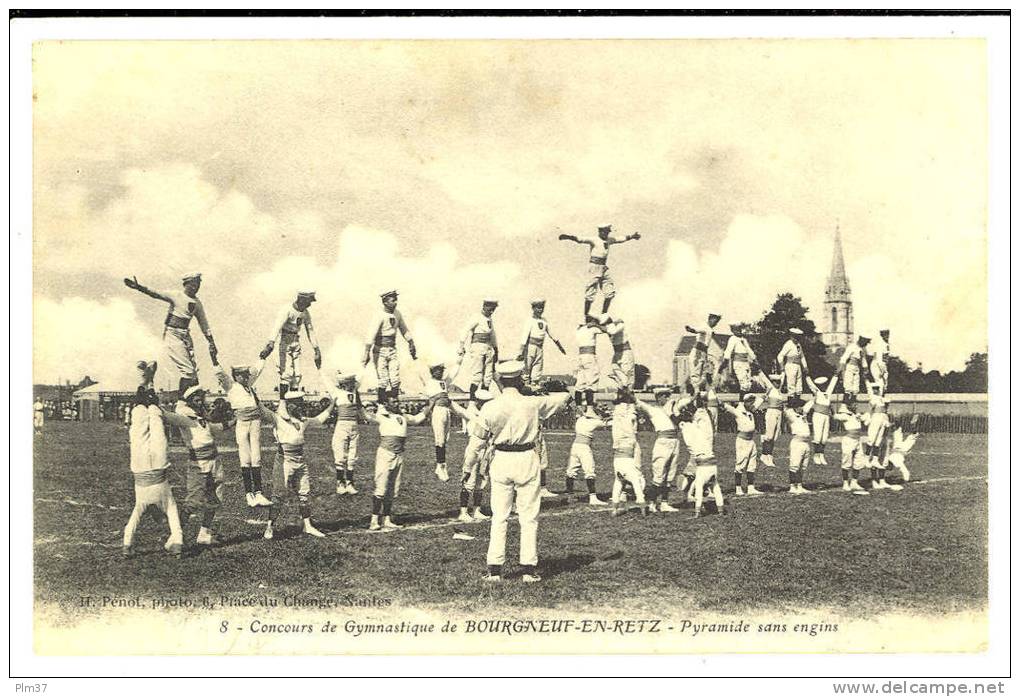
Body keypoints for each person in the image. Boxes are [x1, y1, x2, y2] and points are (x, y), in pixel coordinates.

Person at [472, 360, 571, 582]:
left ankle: (495, 569)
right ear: (519, 379)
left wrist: (470, 468)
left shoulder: (490, 406)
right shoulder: (532, 403)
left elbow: (477, 442)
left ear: (500, 380)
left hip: (502, 459)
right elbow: (565, 398)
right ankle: (528, 569)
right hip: (526, 457)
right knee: (529, 516)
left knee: (500, 516)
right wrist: (534, 390)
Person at [122, 361, 184, 558]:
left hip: (155, 467)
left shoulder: (162, 503)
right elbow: (131, 525)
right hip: (142, 468)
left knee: (153, 419)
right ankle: (145, 380)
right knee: (141, 420)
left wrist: (127, 547)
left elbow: (171, 516)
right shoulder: (143, 505)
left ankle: (147, 380)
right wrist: (127, 544)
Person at [123, 272, 217, 395]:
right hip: (173, 334)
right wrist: (139, 287)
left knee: (193, 372)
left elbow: (204, 323)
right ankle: (183, 400)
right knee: (187, 371)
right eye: (193, 284)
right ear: (186, 284)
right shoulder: (176, 295)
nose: (196, 287)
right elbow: (156, 293)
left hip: (185, 336)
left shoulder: (197, 303)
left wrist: (211, 342)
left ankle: (189, 399)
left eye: (198, 284)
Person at [259, 389, 335, 539]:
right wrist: (253, 395)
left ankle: (308, 526)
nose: (299, 407)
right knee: (279, 495)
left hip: (300, 461)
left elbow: (320, 419)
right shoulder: (278, 419)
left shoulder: (303, 421)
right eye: (296, 404)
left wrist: (333, 404)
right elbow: (262, 411)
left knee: (304, 495)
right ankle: (270, 526)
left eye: (300, 403)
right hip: (284, 461)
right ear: (288, 405)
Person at [161, 385, 229, 547]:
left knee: (215, 499)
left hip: (215, 461)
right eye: (196, 399)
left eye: (201, 398)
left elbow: (215, 428)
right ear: (190, 401)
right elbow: (166, 416)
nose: (200, 401)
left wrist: (235, 420)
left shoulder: (201, 419)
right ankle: (174, 537)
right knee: (193, 502)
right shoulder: (184, 418)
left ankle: (204, 534)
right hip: (198, 464)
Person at [363, 394, 437, 531]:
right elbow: (366, 416)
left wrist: (431, 404)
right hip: (386, 454)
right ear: (386, 404)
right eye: (393, 402)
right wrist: (356, 400)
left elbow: (418, 418)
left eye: (397, 401)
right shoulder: (382, 416)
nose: (396, 404)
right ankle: (374, 520)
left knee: (392, 490)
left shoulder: (403, 417)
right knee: (381, 488)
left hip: (399, 455)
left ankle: (387, 519)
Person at [213, 355, 271, 508]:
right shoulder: (231, 386)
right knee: (245, 457)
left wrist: (262, 357)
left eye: (246, 375)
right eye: (242, 375)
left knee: (256, 456)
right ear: (235, 376)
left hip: (255, 422)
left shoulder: (249, 385)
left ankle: (258, 493)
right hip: (242, 423)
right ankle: (249, 494)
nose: (246, 377)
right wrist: (214, 361)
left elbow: (257, 370)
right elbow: (220, 374)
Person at [558, 224, 641, 317]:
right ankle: (586, 316)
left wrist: (632, 236)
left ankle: (604, 314)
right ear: (601, 232)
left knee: (610, 292)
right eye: (605, 232)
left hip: (604, 267)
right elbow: (580, 239)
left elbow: (620, 239)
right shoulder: (594, 240)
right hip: (594, 267)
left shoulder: (609, 240)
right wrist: (567, 237)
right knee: (590, 292)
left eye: (608, 232)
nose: (607, 234)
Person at [260, 291, 321, 399]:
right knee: (287, 374)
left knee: (297, 376)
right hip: (283, 341)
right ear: (301, 300)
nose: (309, 305)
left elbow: (310, 330)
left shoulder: (305, 313)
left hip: (295, 341)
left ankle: (294, 404)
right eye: (308, 302)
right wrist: (270, 343)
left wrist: (316, 350)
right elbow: (277, 326)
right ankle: (283, 404)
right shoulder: (287, 309)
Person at [675, 394, 726, 519]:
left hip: (702, 463)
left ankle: (697, 512)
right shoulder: (698, 428)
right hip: (712, 462)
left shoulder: (686, 427)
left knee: (699, 486)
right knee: (715, 486)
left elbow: (677, 415)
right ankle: (720, 511)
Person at [363, 290, 416, 402]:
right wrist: (366, 352)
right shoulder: (379, 315)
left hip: (392, 350)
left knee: (395, 379)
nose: (395, 302)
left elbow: (404, 329)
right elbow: (371, 334)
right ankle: (382, 404)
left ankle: (394, 402)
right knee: (383, 380)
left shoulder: (397, 314)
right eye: (393, 300)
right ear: (385, 302)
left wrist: (411, 343)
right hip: (380, 351)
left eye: (396, 300)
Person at [450, 390, 495, 522]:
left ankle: (477, 509)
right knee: (469, 479)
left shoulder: (490, 415)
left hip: (486, 451)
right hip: (474, 449)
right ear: (479, 403)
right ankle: (463, 511)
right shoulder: (473, 413)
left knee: (482, 481)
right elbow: (459, 411)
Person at [638, 390, 682, 512]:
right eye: (664, 396)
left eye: (668, 395)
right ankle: (651, 503)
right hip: (663, 442)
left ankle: (664, 503)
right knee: (659, 474)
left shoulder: (673, 408)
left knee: (670, 475)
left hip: (675, 441)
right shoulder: (653, 410)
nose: (667, 398)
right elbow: (638, 402)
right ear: (658, 398)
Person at [420, 358, 462, 483]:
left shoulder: (443, 382)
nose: (441, 372)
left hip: (446, 410)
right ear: (433, 372)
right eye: (438, 370)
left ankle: (442, 465)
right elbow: (428, 395)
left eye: (442, 370)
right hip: (438, 411)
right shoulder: (430, 382)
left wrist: (459, 361)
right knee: (440, 440)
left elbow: (453, 375)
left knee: (445, 439)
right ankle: (440, 466)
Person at [610, 389, 649, 517]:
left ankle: (614, 509)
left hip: (618, 456)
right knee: (636, 483)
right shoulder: (636, 475)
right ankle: (642, 508)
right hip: (626, 451)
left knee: (619, 483)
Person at [325, 370, 364, 495]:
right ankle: (340, 482)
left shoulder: (354, 392)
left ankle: (350, 483)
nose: (352, 385)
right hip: (342, 425)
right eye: (350, 383)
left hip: (354, 426)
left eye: (353, 382)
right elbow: (325, 379)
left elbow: (361, 374)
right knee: (340, 455)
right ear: (344, 384)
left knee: (353, 455)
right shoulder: (337, 392)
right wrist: (319, 366)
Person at [564, 404, 610, 506]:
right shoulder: (594, 422)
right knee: (589, 471)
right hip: (584, 447)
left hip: (575, 446)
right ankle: (593, 498)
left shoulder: (580, 420)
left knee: (571, 471)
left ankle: (570, 496)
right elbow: (606, 423)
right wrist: (604, 414)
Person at [723, 393, 765, 496]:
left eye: (752, 402)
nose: (752, 404)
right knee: (740, 464)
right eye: (750, 402)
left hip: (751, 440)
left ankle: (751, 487)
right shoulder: (738, 411)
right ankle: (738, 488)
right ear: (745, 402)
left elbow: (762, 399)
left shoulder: (751, 410)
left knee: (752, 464)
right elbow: (726, 407)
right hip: (742, 441)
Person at [459, 299, 499, 400]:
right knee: (477, 374)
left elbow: (492, 334)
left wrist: (496, 348)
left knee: (488, 376)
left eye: (493, 310)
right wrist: (461, 345)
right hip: (477, 347)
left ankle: (483, 399)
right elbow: (465, 329)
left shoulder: (489, 319)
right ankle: (473, 399)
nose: (491, 312)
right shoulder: (476, 317)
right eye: (489, 309)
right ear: (484, 306)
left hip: (488, 347)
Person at [518, 299, 565, 386]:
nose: (540, 310)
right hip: (530, 347)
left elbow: (552, 334)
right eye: (538, 308)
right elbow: (524, 336)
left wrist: (560, 346)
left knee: (538, 367)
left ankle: (534, 387)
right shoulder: (530, 320)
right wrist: (521, 352)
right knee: (527, 368)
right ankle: (525, 388)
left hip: (539, 347)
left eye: (542, 308)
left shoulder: (544, 321)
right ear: (533, 308)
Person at [864, 387, 901, 491]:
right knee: (873, 459)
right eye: (885, 405)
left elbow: (888, 427)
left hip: (885, 440)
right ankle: (874, 481)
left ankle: (882, 480)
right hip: (878, 440)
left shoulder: (886, 415)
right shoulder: (875, 413)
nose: (887, 406)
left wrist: (895, 424)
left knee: (883, 459)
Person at [832, 401, 870, 495]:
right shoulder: (845, 415)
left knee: (858, 461)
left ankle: (854, 482)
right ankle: (845, 483)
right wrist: (830, 408)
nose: (856, 405)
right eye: (854, 404)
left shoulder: (856, 415)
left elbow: (865, 419)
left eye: (856, 404)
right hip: (849, 440)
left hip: (858, 440)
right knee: (847, 461)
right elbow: (834, 416)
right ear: (849, 406)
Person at [783, 394, 815, 495]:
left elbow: (809, 405)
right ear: (795, 407)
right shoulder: (791, 415)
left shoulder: (803, 413)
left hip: (806, 443)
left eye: (802, 406)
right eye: (800, 406)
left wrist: (815, 397)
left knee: (803, 466)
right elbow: (786, 409)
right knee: (795, 465)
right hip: (797, 443)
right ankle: (792, 486)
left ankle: (800, 486)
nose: (802, 408)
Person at [805, 374, 839, 466]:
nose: (823, 387)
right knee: (818, 437)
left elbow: (832, 384)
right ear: (819, 386)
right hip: (818, 416)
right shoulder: (817, 392)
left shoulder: (828, 393)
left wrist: (836, 376)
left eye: (825, 385)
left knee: (824, 438)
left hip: (826, 416)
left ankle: (821, 455)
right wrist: (807, 376)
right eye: (822, 385)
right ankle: (816, 455)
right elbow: (811, 385)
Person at [574, 315, 604, 410]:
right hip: (589, 356)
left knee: (580, 384)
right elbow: (605, 330)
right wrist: (596, 325)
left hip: (580, 356)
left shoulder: (580, 329)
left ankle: (578, 409)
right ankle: (590, 409)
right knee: (591, 383)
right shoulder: (592, 328)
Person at [685, 313, 722, 389]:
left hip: (703, 353)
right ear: (711, 319)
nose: (716, 324)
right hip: (698, 352)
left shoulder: (709, 329)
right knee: (696, 373)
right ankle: (696, 393)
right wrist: (691, 329)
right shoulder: (704, 327)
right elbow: (697, 330)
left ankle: (704, 391)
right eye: (715, 322)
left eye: (717, 322)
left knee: (705, 373)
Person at [718, 324, 757, 395]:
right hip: (739, 363)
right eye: (736, 329)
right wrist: (725, 361)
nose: (739, 331)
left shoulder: (743, 339)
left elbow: (749, 350)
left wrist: (754, 359)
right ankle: (741, 403)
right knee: (744, 385)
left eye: (740, 329)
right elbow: (728, 351)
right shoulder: (732, 339)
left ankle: (745, 402)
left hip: (746, 363)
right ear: (732, 330)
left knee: (748, 385)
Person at [757, 371, 786, 468]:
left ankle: (769, 455)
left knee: (775, 436)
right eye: (776, 382)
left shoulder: (779, 391)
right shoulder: (770, 388)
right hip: (772, 412)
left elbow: (783, 376)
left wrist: (783, 370)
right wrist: (760, 371)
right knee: (769, 435)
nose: (778, 383)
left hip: (779, 413)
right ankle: (764, 455)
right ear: (772, 382)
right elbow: (764, 379)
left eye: (779, 382)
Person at [602, 314, 636, 389]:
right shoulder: (609, 328)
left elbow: (612, 331)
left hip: (625, 353)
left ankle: (629, 397)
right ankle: (623, 386)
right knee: (614, 367)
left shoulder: (619, 325)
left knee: (627, 377)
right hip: (617, 353)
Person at [884, 414, 920, 484]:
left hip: (901, 448)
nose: (889, 469)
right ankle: (899, 421)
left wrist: (906, 480)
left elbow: (905, 472)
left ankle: (907, 424)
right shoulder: (888, 458)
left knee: (911, 436)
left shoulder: (895, 461)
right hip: (898, 447)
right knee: (898, 432)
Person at [776, 327, 809, 394]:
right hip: (790, 365)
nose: (796, 339)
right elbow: (780, 356)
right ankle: (791, 402)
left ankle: (797, 401)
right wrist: (781, 367)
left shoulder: (798, 344)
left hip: (798, 365)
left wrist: (805, 366)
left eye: (798, 337)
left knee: (799, 384)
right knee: (791, 384)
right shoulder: (788, 344)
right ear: (792, 336)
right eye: (795, 336)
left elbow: (802, 356)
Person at [868, 329, 892, 396]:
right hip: (877, 365)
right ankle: (877, 399)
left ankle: (880, 398)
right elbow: (879, 358)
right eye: (885, 334)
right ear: (882, 335)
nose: (887, 336)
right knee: (880, 383)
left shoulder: (886, 344)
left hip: (883, 365)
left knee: (885, 385)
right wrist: (881, 370)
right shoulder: (880, 344)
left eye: (888, 334)